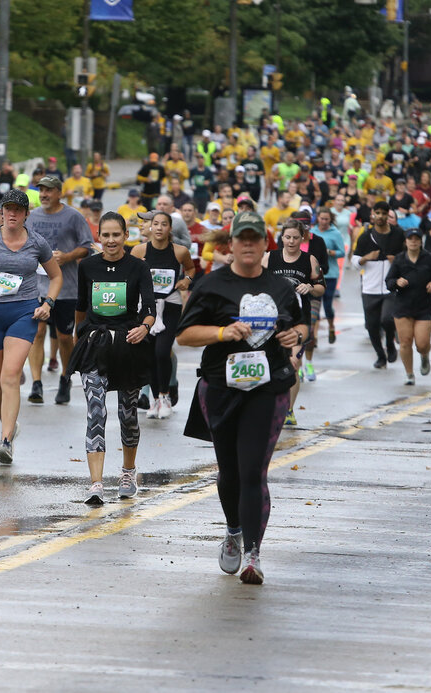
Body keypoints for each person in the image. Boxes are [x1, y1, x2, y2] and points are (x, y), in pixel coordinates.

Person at [176, 210, 309, 585]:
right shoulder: (211, 284)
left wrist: (294, 337)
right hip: (220, 387)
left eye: (254, 238)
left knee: (253, 471)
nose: (248, 245)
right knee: (229, 471)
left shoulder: (281, 287)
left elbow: (302, 324)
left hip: (268, 389)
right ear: (230, 244)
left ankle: (253, 554)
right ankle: (233, 530)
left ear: (264, 244)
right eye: (241, 238)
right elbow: (184, 336)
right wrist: (223, 333)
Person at [0, 190, 61, 464]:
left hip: (23, 312)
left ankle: (5, 440)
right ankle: (10, 425)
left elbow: (56, 276)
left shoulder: (37, 243)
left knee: (11, 375)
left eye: (19, 209)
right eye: (8, 209)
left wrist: (48, 303)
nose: (13, 214)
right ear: (1, 212)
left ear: (27, 214)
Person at [71, 213, 155, 506]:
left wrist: (144, 328)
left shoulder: (138, 267)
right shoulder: (88, 266)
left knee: (127, 414)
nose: (110, 241)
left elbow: (150, 307)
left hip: (128, 345)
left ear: (125, 235)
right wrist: (77, 339)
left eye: (116, 235)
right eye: (105, 235)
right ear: (99, 237)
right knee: (96, 413)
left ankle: (128, 473)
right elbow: (81, 307)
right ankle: (96, 484)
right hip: (95, 345)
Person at [24, 176, 93, 405]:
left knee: (64, 337)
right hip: (37, 286)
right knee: (37, 333)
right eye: (41, 190)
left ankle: (65, 378)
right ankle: (37, 383)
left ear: (59, 193)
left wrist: (67, 256)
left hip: (66, 287)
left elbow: (87, 246)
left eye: (49, 191)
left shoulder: (73, 216)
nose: (44, 194)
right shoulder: (31, 217)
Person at [132, 211, 195, 418]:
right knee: (149, 355)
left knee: (162, 351)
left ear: (170, 228)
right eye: (155, 224)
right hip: (147, 308)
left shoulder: (179, 251)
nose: (159, 228)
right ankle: (155, 401)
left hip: (170, 306)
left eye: (163, 224)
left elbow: (191, 269)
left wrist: (186, 281)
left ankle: (165, 395)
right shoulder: (139, 250)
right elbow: (129, 275)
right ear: (150, 227)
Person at [262, 220, 322, 423]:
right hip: (272, 319)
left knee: (294, 362)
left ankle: (288, 410)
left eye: (296, 237)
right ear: (282, 238)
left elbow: (321, 287)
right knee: (271, 362)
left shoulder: (309, 260)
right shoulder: (270, 257)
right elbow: (254, 280)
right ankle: (270, 404)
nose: (291, 241)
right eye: (288, 237)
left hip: (299, 320)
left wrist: (310, 287)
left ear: (302, 238)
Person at [351, 199, 405, 370]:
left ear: (388, 215)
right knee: (372, 325)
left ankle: (390, 342)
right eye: (378, 213)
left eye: (384, 213)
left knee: (387, 319)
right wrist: (366, 258)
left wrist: (396, 260)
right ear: (372, 215)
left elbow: (407, 257)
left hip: (390, 286)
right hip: (370, 287)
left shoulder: (397, 234)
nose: (381, 216)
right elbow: (354, 259)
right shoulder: (366, 236)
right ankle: (380, 356)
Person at [386, 227, 431, 386]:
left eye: (417, 239)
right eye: (410, 239)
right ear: (406, 241)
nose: (413, 241)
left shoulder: (429, 258)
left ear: (421, 241)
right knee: (404, 342)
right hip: (403, 307)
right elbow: (389, 281)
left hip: (423, 307)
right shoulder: (399, 259)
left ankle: (424, 356)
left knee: (422, 344)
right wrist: (397, 283)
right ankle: (409, 374)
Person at [310, 205, 346, 347]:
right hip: (315, 274)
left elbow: (342, 252)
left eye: (326, 219)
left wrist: (329, 252)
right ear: (317, 218)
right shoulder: (312, 232)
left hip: (330, 273)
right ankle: (315, 336)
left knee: (327, 304)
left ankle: (331, 326)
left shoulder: (335, 233)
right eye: (321, 218)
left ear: (330, 220)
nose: (324, 221)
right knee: (315, 306)